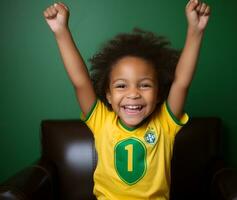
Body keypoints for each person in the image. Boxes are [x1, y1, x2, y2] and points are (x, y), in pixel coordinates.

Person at [43, 0, 210, 199]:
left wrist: (196, 30)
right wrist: (61, 31)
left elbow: (181, 82)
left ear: (158, 94)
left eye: (145, 85)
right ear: (108, 94)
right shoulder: (101, 120)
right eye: (122, 85)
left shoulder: (164, 124)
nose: (133, 94)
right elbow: (80, 82)